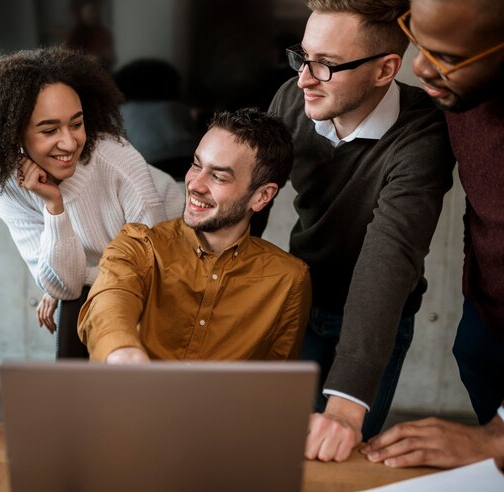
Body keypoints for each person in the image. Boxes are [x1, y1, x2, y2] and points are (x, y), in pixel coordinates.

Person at [267, 0, 456, 462]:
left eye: (327, 65)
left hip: (378, 317)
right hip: (301, 296)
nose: (304, 78)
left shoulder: (424, 135)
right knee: (278, 448)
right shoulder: (294, 100)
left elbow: (389, 258)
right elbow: (248, 199)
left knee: (335, 455)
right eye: (303, 56)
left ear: (385, 69)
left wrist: (347, 405)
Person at [0, 47, 173, 359]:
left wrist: (70, 280)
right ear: (14, 135)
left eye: (76, 123)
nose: (70, 142)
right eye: (49, 129)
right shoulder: (5, 186)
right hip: (109, 276)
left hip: (177, 258)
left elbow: (156, 271)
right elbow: (65, 287)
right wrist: (54, 206)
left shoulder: (118, 162)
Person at [363, 0, 504, 469]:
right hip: (486, 320)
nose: (419, 65)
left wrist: (499, 441)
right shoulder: (458, 90)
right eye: (416, 37)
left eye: (447, 55)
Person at [78, 108, 311, 364]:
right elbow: (108, 303)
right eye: (196, 165)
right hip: (137, 399)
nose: (195, 185)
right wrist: (121, 351)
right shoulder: (139, 244)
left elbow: (277, 386)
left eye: (219, 176)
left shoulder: (288, 280)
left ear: (262, 196)